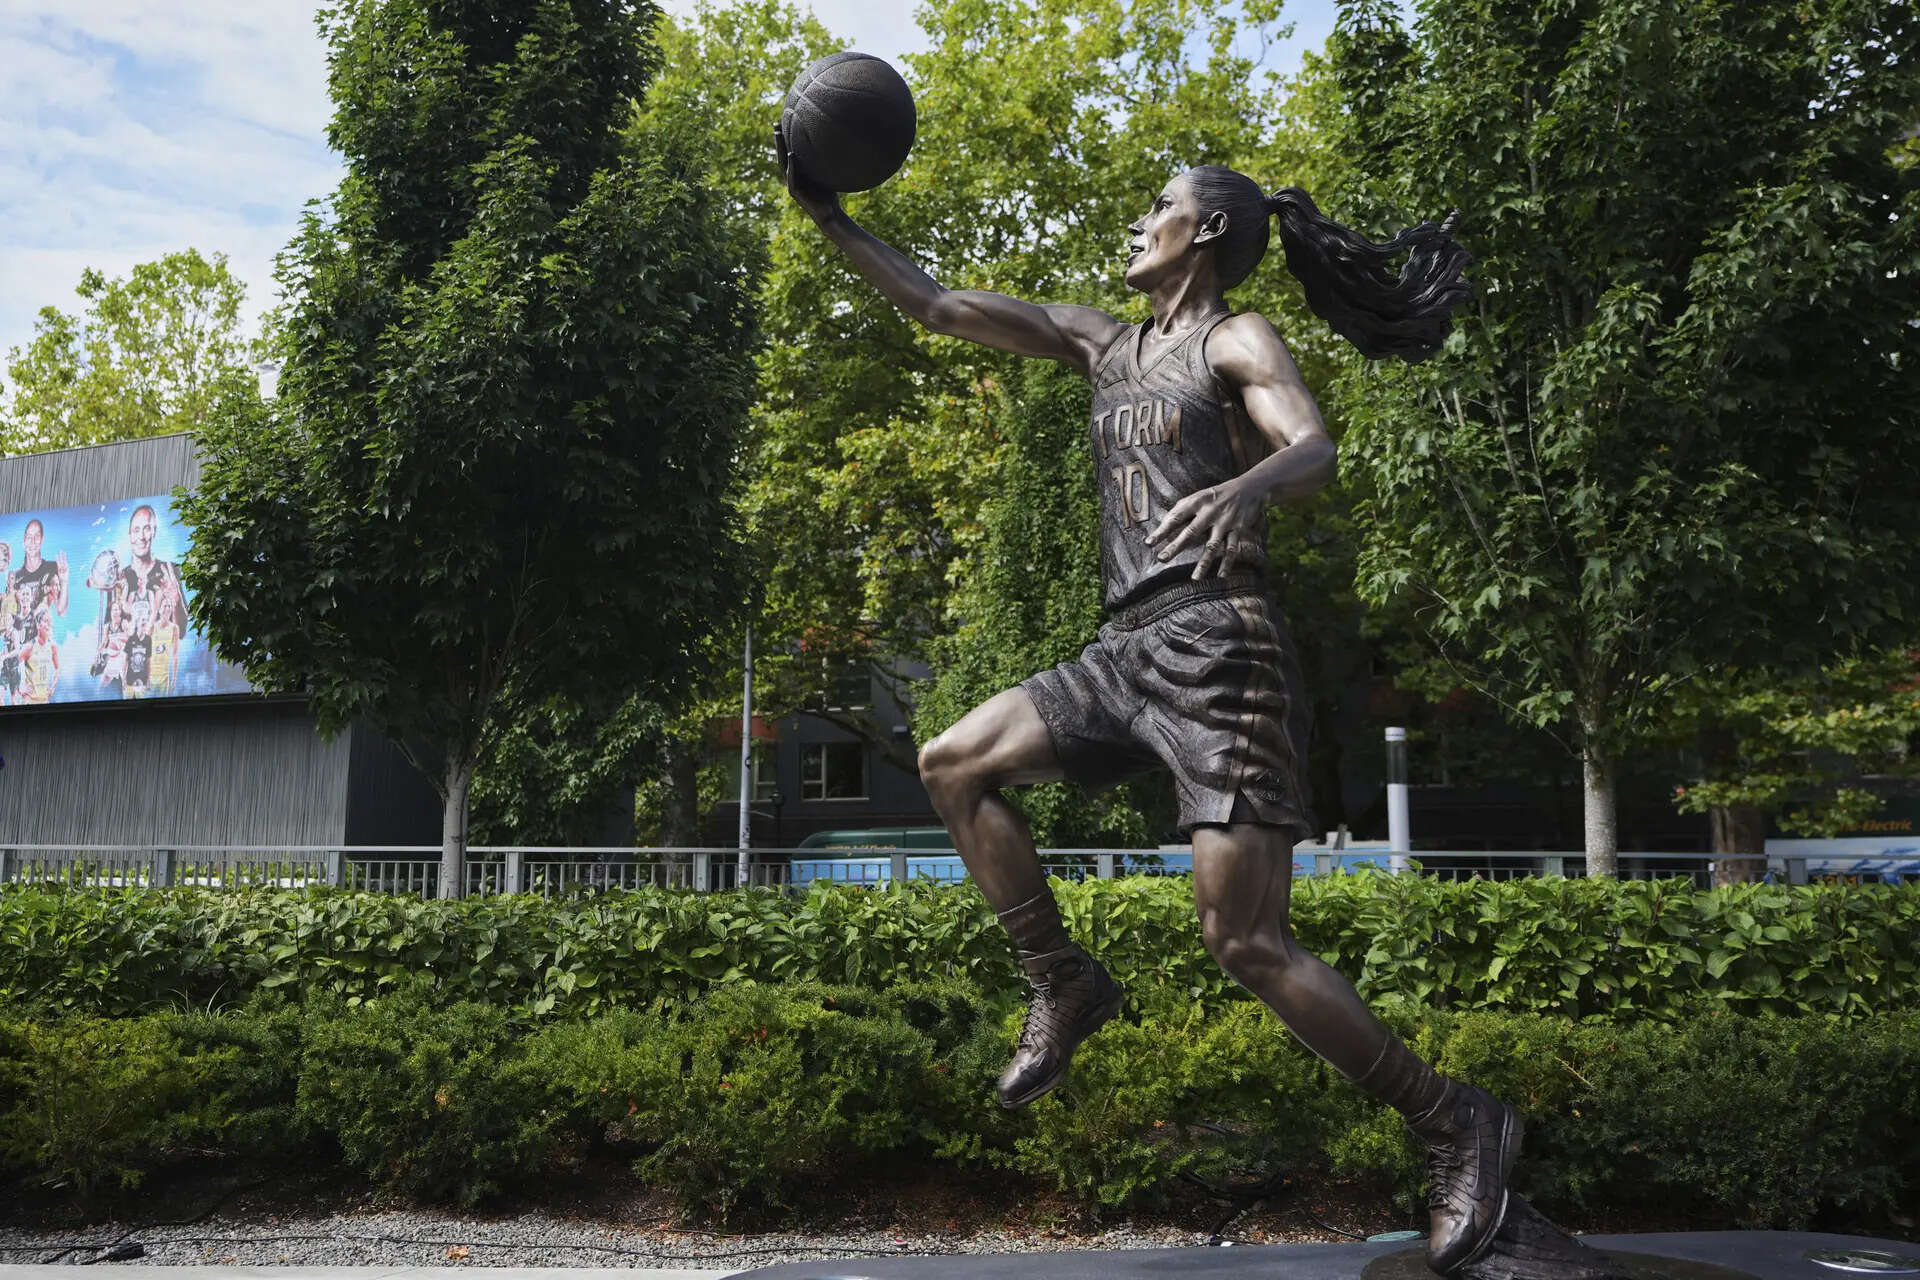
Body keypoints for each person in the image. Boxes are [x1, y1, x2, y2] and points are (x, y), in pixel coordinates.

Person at [778, 139, 1515, 1274]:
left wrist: (1248, 484)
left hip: (1223, 645)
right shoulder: (1099, 341)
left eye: (1157, 207)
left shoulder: (1236, 338)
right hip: (1124, 647)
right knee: (952, 759)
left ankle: (1454, 1116)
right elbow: (933, 304)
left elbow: (1314, 445)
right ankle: (1063, 980)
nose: (1138, 222)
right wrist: (826, 213)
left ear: (1206, 231)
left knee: (1245, 940)